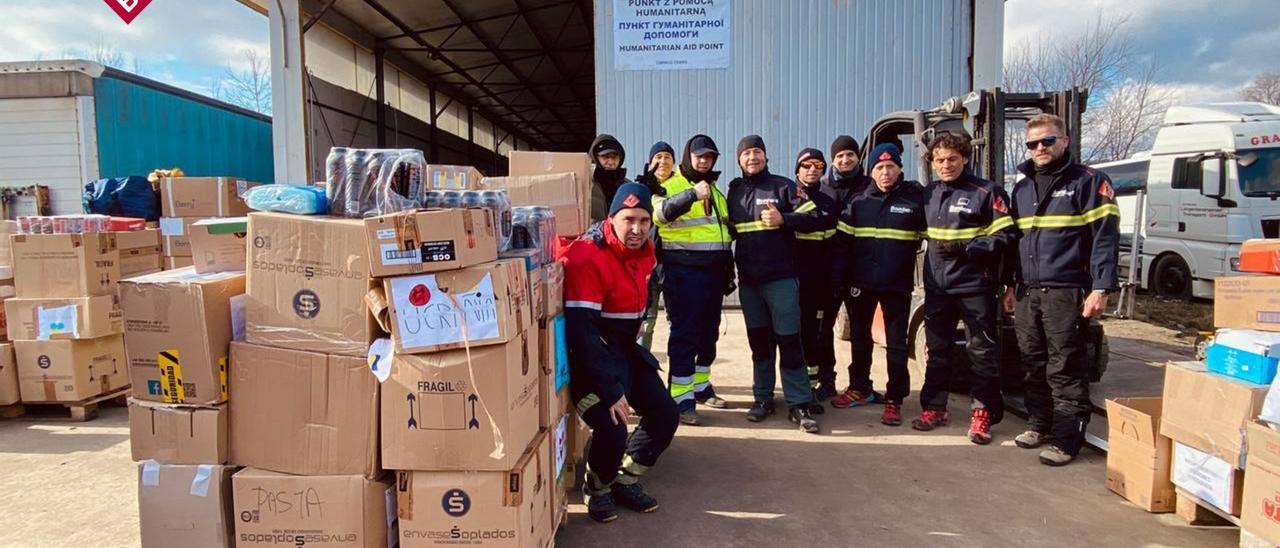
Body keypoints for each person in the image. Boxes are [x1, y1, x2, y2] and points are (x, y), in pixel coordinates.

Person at [562, 182, 680, 523]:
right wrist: (611, 390)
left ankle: (624, 479)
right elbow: (582, 335)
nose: (637, 229)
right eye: (629, 220)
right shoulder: (588, 257)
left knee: (665, 415)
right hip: (588, 358)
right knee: (613, 425)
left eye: (644, 221)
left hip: (624, 350)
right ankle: (596, 487)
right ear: (612, 218)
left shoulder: (646, 252)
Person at [1006, 113, 1119, 466]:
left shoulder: (1089, 182)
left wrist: (1101, 287)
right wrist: (1009, 284)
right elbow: (1015, 242)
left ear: (1064, 140)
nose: (1039, 148)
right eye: (1032, 143)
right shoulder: (1022, 188)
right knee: (1031, 361)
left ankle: (1067, 439)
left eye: (1047, 141)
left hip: (1066, 290)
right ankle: (1039, 424)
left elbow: (1105, 240)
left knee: (1065, 365)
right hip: (1027, 291)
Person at [914, 132, 1016, 445]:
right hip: (938, 287)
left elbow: (1006, 237)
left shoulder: (986, 191)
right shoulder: (928, 193)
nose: (946, 165)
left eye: (952, 159)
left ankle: (983, 413)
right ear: (932, 162)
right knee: (938, 351)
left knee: (981, 352)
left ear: (965, 159)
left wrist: (967, 247)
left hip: (975, 286)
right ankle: (934, 407)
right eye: (940, 160)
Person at [727, 135, 828, 434]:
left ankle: (798, 403)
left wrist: (783, 218)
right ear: (739, 159)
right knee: (759, 344)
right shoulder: (733, 192)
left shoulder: (783, 186)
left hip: (781, 279)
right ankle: (762, 399)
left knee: (789, 341)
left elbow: (816, 219)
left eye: (757, 151)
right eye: (746, 153)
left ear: (766, 156)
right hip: (750, 283)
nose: (752, 157)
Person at [829, 144, 926, 426]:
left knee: (896, 345)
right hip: (860, 284)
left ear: (900, 169)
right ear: (871, 171)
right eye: (879, 168)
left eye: (891, 167)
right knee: (860, 340)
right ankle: (859, 387)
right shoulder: (858, 203)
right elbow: (842, 246)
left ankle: (894, 398)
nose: (885, 173)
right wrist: (838, 280)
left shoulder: (913, 202)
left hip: (896, 285)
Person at [648, 135, 734, 426]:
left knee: (708, 335)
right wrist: (691, 195)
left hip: (713, 275)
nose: (704, 161)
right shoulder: (669, 185)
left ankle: (701, 387)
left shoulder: (717, 191)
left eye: (709, 157)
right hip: (683, 274)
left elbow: (722, 233)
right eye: (699, 157)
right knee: (685, 336)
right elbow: (659, 215)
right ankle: (681, 399)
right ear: (688, 157)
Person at [790, 148, 840, 414]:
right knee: (790, 337)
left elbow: (834, 245)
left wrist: (833, 279)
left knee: (815, 337)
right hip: (790, 281)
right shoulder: (787, 194)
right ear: (797, 169)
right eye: (806, 165)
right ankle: (792, 390)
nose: (812, 169)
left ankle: (809, 389)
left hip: (818, 283)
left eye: (818, 165)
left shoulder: (830, 199)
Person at [637, 141, 677, 351]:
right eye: (658, 157)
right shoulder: (641, 189)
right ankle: (643, 372)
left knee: (676, 322)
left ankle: (677, 374)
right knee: (646, 322)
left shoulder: (681, 187)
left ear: (674, 162)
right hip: (648, 266)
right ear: (650, 162)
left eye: (667, 157)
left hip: (675, 265)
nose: (663, 162)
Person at [589, 134, 629, 222]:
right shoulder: (586, 184)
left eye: (614, 157)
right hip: (592, 234)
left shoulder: (627, 186)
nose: (610, 162)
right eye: (605, 157)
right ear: (595, 158)